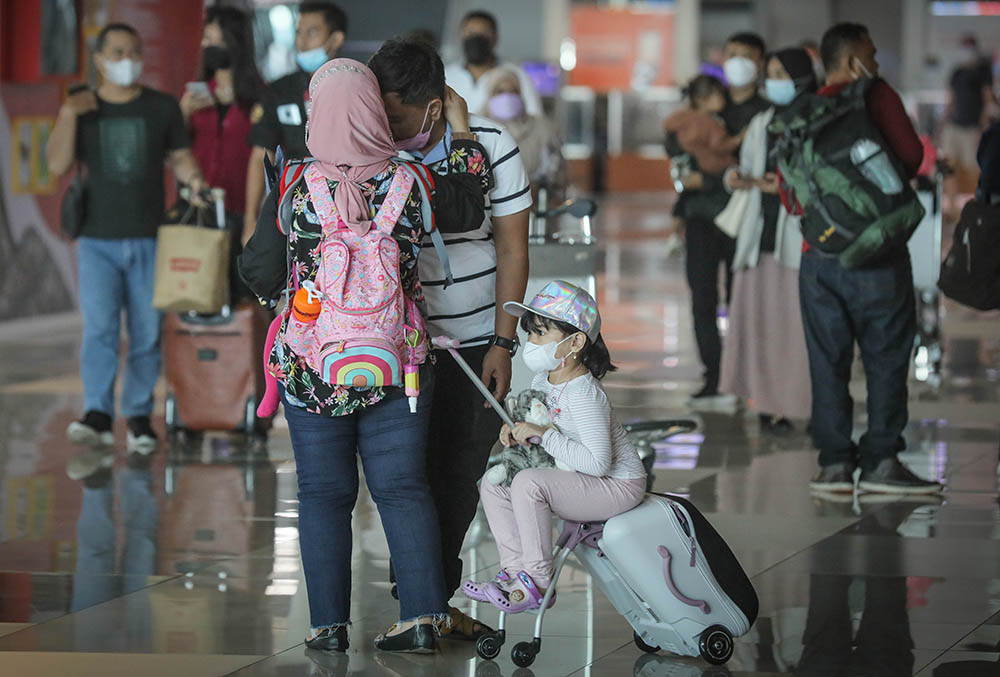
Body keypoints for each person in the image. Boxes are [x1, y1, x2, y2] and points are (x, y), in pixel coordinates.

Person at [237, 59, 493, 653]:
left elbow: (257, 267)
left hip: (313, 370)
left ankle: (327, 627)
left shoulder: (295, 183)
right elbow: (471, 205)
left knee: (323, 495)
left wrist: (290, 297)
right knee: (403, 488)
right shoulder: (413, 181)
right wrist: (462, 130)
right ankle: (422, 615)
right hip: (398, 364)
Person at [369, 37, 532, 640]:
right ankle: (422, 603)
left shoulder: (490, 142)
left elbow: (512, 247)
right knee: (405, 477)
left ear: (433, 107)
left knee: (459, 474)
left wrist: (503, 343)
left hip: (475, 338)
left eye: (396, 117)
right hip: (396, 342)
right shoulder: (372, 147)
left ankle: (429, 603)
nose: (386, 128)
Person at [790, 23, 941, 494]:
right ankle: (881, 462)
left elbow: (790, 194)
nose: (875, 63)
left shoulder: (802, 108)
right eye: (871, 54)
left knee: (827, 362)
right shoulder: (876, 96)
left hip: (818, 255)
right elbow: (912, 157)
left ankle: (834, 465)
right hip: (877, 252)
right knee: (886, 357)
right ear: (854, 59)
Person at [47, 23, 206, 464]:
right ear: (99, 59)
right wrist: (68, 113)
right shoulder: (83, 107)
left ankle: (138, 415)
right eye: (117, 52)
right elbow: (57, 164)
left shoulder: (160, 107)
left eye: (133, 51)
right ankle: (98, 413)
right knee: (99, 329)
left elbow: (180, 157)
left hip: (151, 237)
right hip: (96, 240)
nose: (127, 60)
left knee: (147, 332)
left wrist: (195, 182)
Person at [462, 281, 646, 611]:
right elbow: (542, 430)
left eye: (540, 334)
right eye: (530, 334)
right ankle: (515, 572)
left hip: (618, 485)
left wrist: (543, 435)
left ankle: (538, 579)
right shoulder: (542, 380)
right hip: (581, 476)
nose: (531, 343)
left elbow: (598, 464)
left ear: (575, 342)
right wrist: (517, 431)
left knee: (528, 483)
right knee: (494, 484)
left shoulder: (583, 393)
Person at [719, 48, 816, 434]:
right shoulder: (762, 122)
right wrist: (736, 177)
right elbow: (748, 167)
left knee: (795, 329)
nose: (772, 82)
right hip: (758, 239)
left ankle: (798, 404)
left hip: (797, 241)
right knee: (760, 326)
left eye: (780, 74)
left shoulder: (814, 120)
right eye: (770, 74)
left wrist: (776, 185)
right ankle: (766, 404)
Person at [244, 1, 347, 243]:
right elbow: (261, 154)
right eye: (299, 33)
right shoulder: (280, 90)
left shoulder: (355, 88)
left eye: (312, 32)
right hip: (290, 208)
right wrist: (251, 219)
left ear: (336, 39)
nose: (302, 42)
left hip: (346, 209)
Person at [665, 75, 739, 410]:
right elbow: (685, 175)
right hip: (710, 219)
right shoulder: (703, 127)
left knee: (724, 301)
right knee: (707, 300)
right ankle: (717, 375)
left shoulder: (714, 121)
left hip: (726, 219)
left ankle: (726, 375)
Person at [180, 6, 263, 216]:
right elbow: (177, 148)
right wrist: (184, 112)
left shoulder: (260, 97)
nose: (204, 45)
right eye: (204, 39)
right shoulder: (196, 93)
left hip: (245, 205)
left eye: (212, 40)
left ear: (233, 42)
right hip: (200, 202)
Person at [478, 66, 565, 201]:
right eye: (500, 91)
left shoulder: (540, 127)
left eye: (513, 91)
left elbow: (557, 169)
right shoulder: (477, 127)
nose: (507, 97)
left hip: (533, 202)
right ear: (490, 94)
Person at [444, 10, 542, 117]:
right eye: (470, 33)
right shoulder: (446, 76)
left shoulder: (516, 76)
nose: (476, 39)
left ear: (495, 38)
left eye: (483, 34)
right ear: (460, 36)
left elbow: (534, 119)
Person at [941, 35, 996, 210]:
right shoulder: (957, 73)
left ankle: (975, 209)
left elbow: (988, 100)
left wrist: (982, 128)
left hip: (972, 129)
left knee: (974, 169)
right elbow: (951, 101)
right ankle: (952, 208)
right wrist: (942, 126)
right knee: (948, 167)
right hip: (954, 127)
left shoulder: (983, 72)